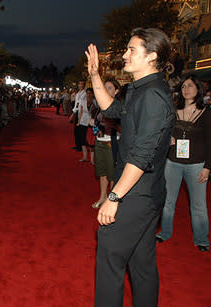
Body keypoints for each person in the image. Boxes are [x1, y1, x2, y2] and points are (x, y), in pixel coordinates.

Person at [85, 27, 175, 307]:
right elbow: (111, 109)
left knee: (110, 256)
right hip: (144, 192)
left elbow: (141, 155)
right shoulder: (141, 89)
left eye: (131, 50)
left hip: (137, 194)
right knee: (142, 264)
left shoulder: (153, 96)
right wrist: (95, 75)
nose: (124, 55)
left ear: (152, 56)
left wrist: (113, 197)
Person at [156, 75, 210, 252]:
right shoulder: (173, 110)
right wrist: (168, 138)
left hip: (197, 165)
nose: (186, 89)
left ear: (198, 89)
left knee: (198, 204)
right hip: (173, 163)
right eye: (183, 86)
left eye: (190, 86)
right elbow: (163, 131)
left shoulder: (206, 113)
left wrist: (208, 167)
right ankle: (165, 232)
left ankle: (202, 239)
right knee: (168, 201)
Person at [91, 79, 121, 209]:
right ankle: (102, 197)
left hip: (112, 142)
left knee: (112, 174)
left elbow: (120, 126)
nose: (106, 90)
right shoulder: (99, 106)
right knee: (102, 172)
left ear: (116, 91)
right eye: (105, 87)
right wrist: (94, 123)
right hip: (100, 141)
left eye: (109, 88)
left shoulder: (119, 107)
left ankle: (111, 200)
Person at [69, 80, 86, 152]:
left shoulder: (84, 93)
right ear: (78, 85)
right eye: (80, 84)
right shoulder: (78, 93)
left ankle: (80, 146)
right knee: (76, 130)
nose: (81, 85)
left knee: (80, 130)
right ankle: (78, 145)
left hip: (82, 113)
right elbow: (77, 104)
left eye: (82, 84)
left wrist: (73, 113)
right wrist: (74, 112)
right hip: (77, 112)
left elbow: (80, 104)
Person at [77, 88, 93, 162]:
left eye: (90, 93)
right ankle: (85, 157)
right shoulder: (83, 101)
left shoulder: (95, 102)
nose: (88, 94)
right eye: (87, 93)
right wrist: (78, 121)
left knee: (91, 141)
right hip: (83, 121)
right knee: (83, 140)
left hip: (91, 123)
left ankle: (92, 160)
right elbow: (81, 112)